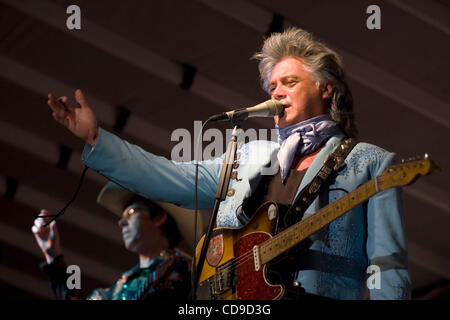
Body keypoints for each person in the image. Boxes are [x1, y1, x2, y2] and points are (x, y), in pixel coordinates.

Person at [46, 27, 411, 299]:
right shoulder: (248, 157)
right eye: (272, 87)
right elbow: (166, 178)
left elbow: (388, 265)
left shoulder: (370, 163)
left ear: (325, 88)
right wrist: (97, 139)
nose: (277, 92)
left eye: (289, 81)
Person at [32, 182, 194, 300]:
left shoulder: (188, 271)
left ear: (159, 217)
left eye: (131, 212)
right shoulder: (120, 284)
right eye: (121, 217)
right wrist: (54, 256)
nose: (121, 222)